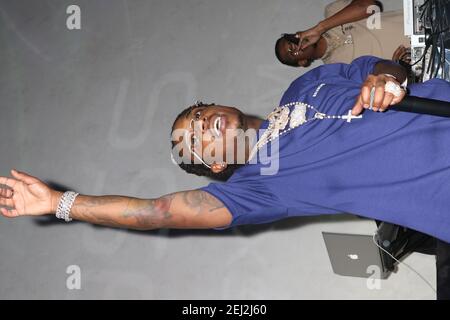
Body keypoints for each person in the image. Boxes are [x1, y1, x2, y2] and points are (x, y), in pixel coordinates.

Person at [1, 56, 450, 245]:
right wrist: (61, 203)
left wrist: (385, 76)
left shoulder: (302, 83)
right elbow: (157, 211)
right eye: (193, 142)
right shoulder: (259, 187)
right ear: (216, 163)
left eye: (195, 116)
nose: (199, 126)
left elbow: (372, 66)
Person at [275, 0, 410, 67]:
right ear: (303, 62)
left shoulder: (332, 12)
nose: (293, 45)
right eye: (291, 52)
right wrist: (398, 66)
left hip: (423, 21)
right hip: (424, 57)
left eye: (291, 39)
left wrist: (321, 28)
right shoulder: (338, 69)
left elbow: (371, 6)